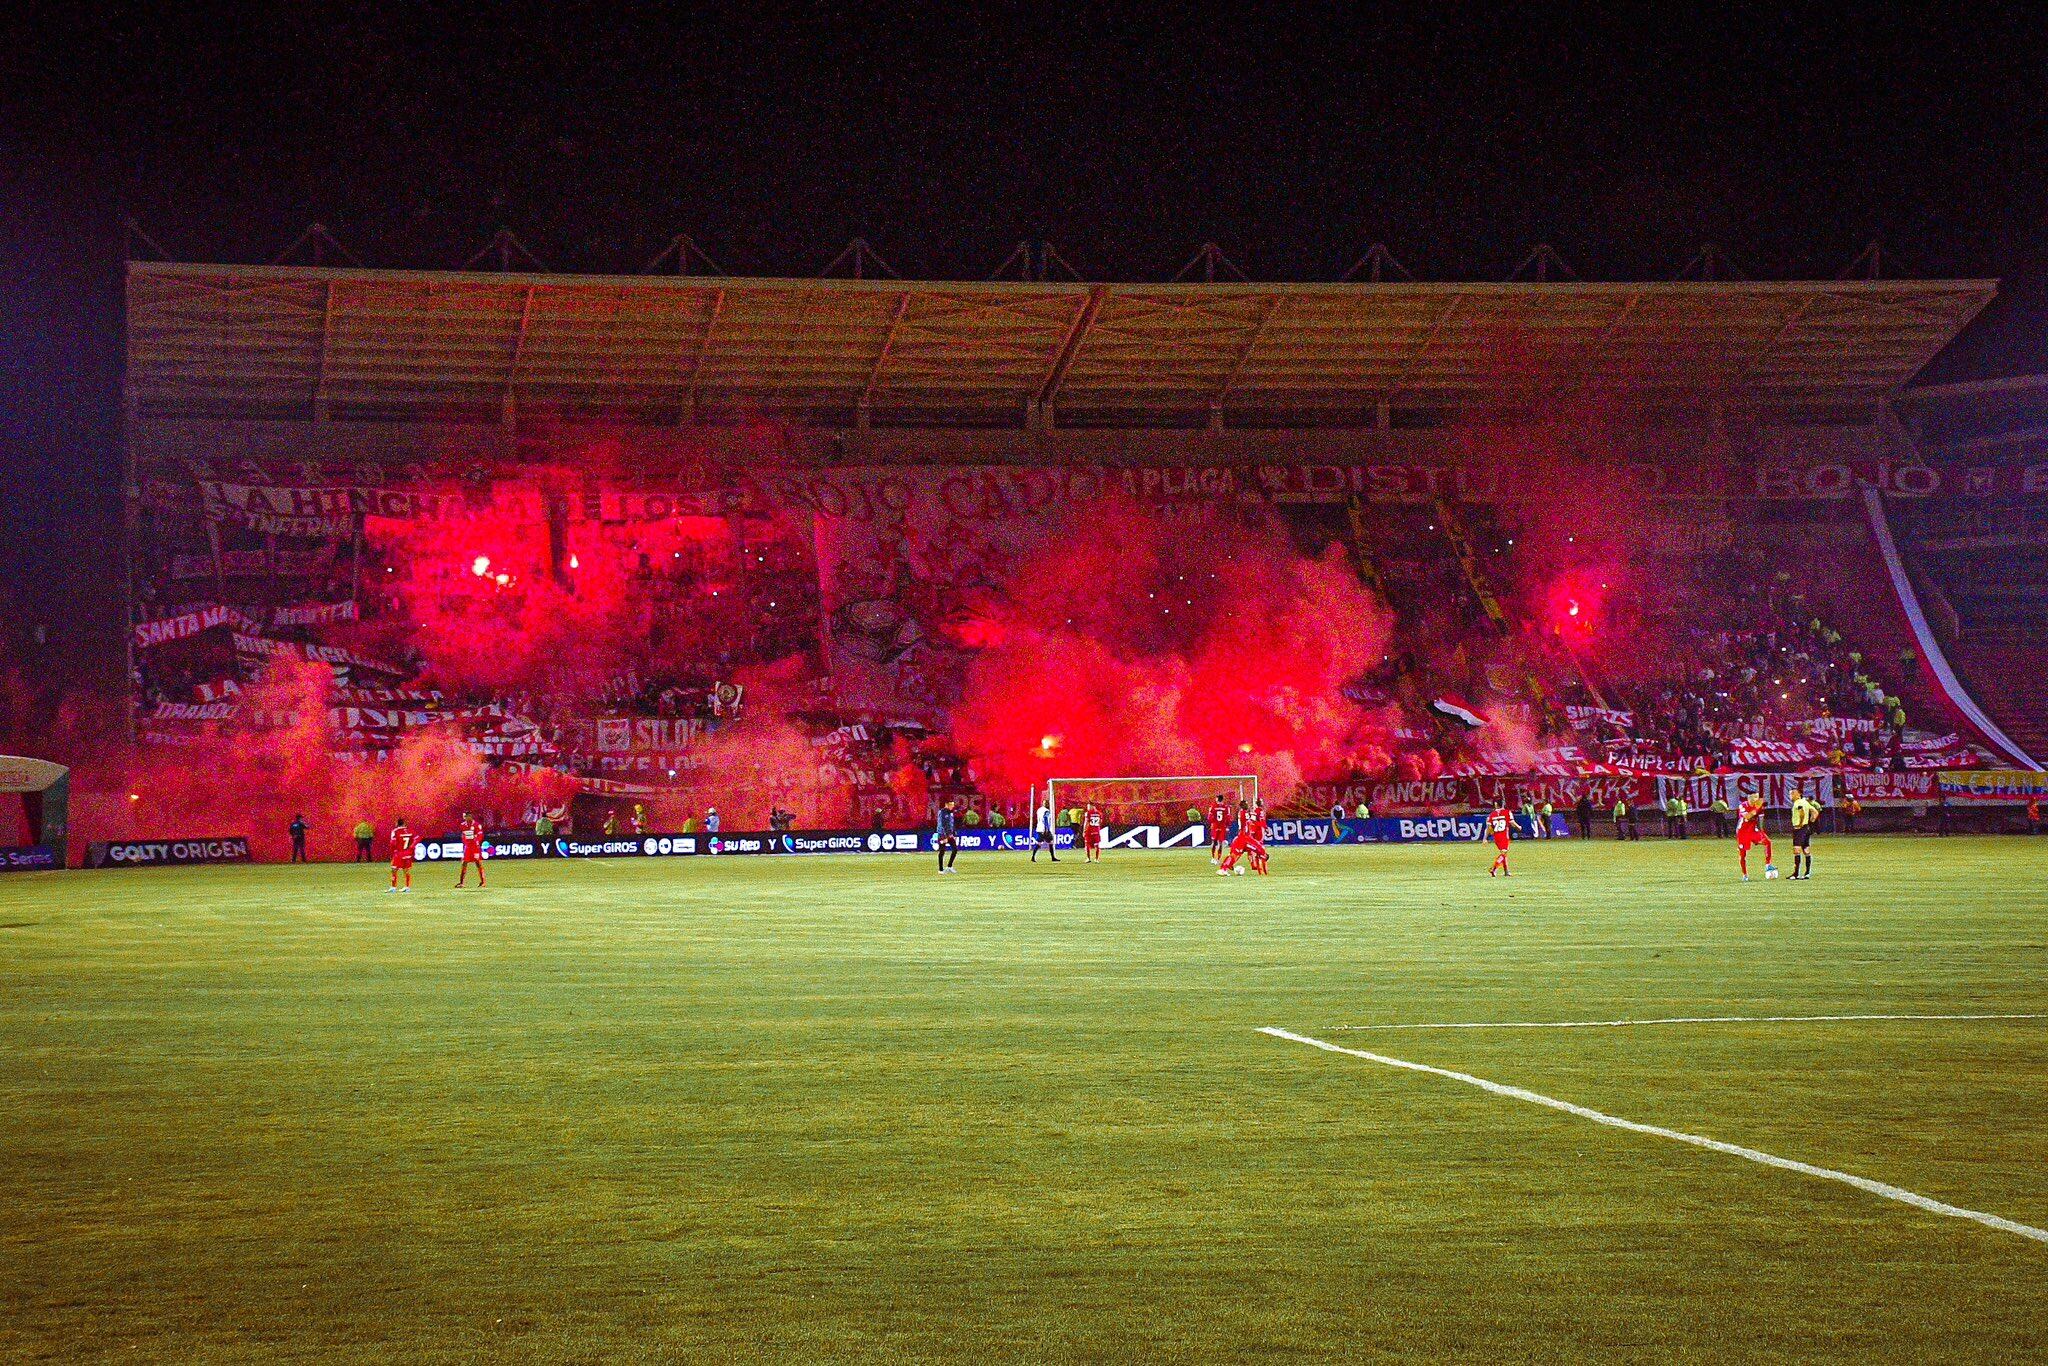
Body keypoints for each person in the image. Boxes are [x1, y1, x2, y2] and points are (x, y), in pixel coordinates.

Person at [1218, 797, 1268, 875]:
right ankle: (1262, 869)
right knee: (1260, 849)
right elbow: (1253, 820)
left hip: (1243, 837)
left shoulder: (1242, 813)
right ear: (1242, 806)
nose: (1247, 806)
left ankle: (1224, 868)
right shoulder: (1244, 813)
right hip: (1245, 838)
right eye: (1246, 805)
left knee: (1235, 854)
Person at [1735, 792, 1775, 881]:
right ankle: (1745, 875)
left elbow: (1761, 820)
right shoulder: (1743, 805)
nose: (1757, 799)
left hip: (1753, 830)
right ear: (1749, 798)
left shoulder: (1759, 807)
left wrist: (1762, 832)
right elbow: (1748, 816)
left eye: (1757, 796)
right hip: (1743, 832)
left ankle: (1768, 865)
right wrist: (1756, 808)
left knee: (1768, 842)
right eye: (1755, 797)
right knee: (1742, 855)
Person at [1789, 789, 1818, 881]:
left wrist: (1800, 823)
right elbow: (1815, 812)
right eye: (1790, 793)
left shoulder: (1798, 803)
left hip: (1799, 829)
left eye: (1793, 793)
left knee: (1797, 850)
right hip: (1806, 828)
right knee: (1806, 850)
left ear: (1798, 794)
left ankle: (1796, 874)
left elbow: (1801, 812)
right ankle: (1807, 873)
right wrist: (1811, 821)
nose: (1791, 795)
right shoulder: (1805, 802)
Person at [455, 811, 487, 888]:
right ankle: (461, 883)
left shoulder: (477, 825)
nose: (465, 818)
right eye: (464, 817)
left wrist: (476, 840)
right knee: (464, 863)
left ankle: (483, 882)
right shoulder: (462, 825)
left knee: (478, 863)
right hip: (468, 847)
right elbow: (463, 835)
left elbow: (480, 834)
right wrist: (465, 842)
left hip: (475, 847)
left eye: (466, 816)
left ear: (470, 816)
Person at [387, 817, 416, 893]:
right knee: (406, 870)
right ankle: (407, 887)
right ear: (404, 823)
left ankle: (393, 887)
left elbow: (392, 843)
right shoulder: (409, 830)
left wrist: (392, 851)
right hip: (407, 854)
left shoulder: (395, 831)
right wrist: (412, 847)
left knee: (394, 870)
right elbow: (417, 838)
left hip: (399, 854)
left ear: (397, 823)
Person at [1485, 802, 1513, 877]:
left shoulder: (1492, 814)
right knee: (1504, 853)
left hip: (1496, 836)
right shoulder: (1507, 812)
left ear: (1496, 805)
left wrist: (1485, 838)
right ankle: (1494, 868)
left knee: (1504, 853)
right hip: (1504, 835)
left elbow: (1489, 828)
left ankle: (1506, 871)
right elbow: (1512, 822)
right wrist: (1519, 827)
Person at [935, 798, 960, 874]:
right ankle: (940, 869)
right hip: (942, 835)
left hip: (950, 835)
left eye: (953, 805)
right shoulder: (942, 812)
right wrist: (945, 836)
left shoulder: (951, 813)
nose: (952, 806)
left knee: (955, 849)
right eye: (951, 805)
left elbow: (952, 824)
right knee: (942, 851)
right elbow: (942, 825)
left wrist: (954, 833)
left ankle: (949, 866)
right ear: (946, 804)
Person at [1031, 798, 1059, 863]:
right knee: (1050, 842)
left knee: (1040, 843)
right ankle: (1053, 857)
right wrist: (1046, 829)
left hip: (1039, 828)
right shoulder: (1047, 811)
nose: (1047, 804)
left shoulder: (1039, 810)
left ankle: (1033, 857)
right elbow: (1045, 819)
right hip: (1044, 829)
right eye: (1046, 803)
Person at [1206, 793, 1232, 865]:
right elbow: (1228, 818)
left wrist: (1211, 822)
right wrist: (1227, 826)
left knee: (1214, 842)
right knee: (1220, 843)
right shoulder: (1226, 807)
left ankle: (1213, 858)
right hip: (1222, 827)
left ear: (1217, 799)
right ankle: (1218, 859)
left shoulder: (1212, 807)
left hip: (1215, 826)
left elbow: (1209, 817)